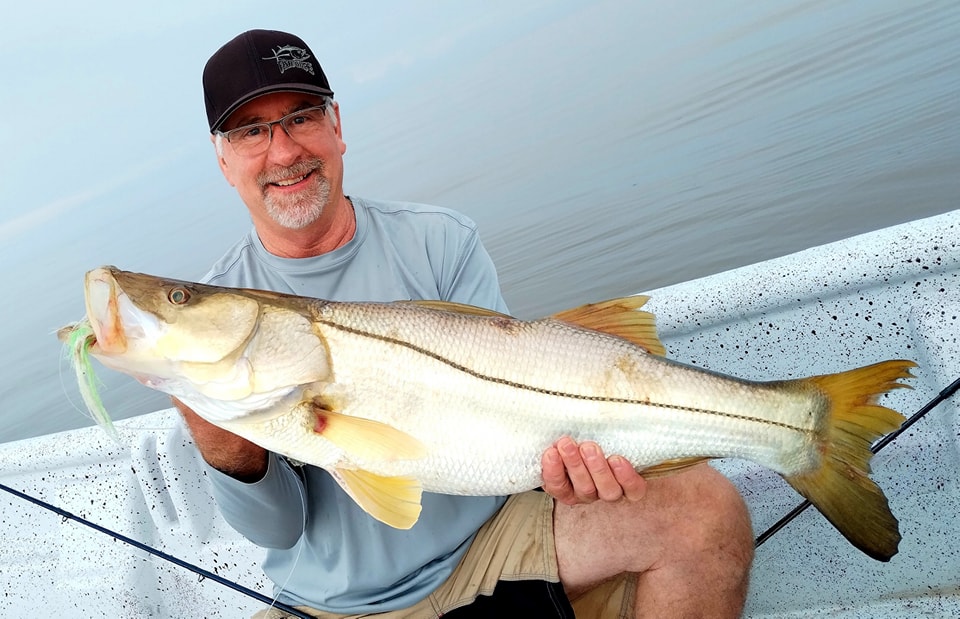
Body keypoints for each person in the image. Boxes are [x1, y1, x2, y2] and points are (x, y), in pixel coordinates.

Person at [176, 29, 754, 619]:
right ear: (223, 159)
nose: (283, 150)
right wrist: (227, 452)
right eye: (251, 131)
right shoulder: (214, 324)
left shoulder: (439, 240)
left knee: (704, 509)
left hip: (492, 546)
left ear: (336, 125)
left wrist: (566, 465)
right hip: (334, 606)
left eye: (301, 117)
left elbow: (509, 425)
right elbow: (277, 531)